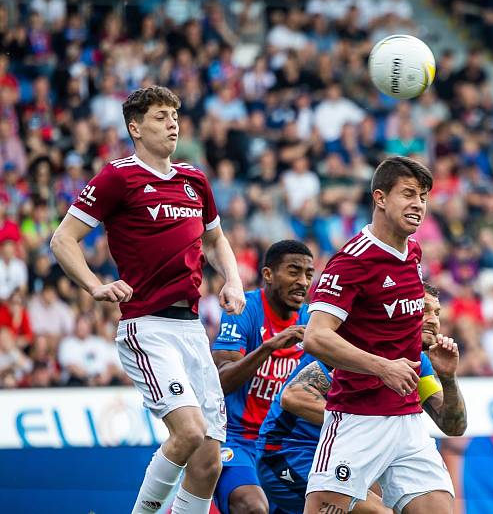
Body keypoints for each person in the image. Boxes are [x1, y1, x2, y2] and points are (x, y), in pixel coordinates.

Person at [50, 86, 246, 514]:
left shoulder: (194, 179)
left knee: (210, 460)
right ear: (135, 127)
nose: (172, 122)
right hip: (147, 326)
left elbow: (215, 240)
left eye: (174, 114)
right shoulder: (117, 177)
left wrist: (231, 279)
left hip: (191, 330)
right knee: (190, 431)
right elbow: (63, 239)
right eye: (160, 116)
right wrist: (94, 285)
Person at [301, 156, 455, 514]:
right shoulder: (351, 262)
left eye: (423, 196)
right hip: (357, 417)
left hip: (408, 419)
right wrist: (383, 367)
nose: (418, 203)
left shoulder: (412, 253)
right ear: (380, 198)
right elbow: (316, 337)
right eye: (408, 194)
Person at [256, 283, 467, 513]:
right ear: (403, 310)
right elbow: (293, 396)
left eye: (436, 312)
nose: (433, 320)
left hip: (353, 452)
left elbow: (453, 426)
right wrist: (363, 425)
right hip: (290, 453)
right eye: (424, 310)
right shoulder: (359, 345)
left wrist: (447, 377)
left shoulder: (420, 363)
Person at [210, 240, 314, 514]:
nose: (302, 281)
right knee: (253, 506)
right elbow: (222, 381)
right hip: (237, 438)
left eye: (308, 274)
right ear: (268, 274)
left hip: (284, 444)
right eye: (293, 271)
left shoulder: (312, 321)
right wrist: (269, 347)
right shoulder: (244, 310)